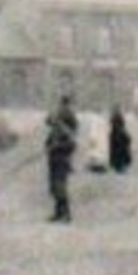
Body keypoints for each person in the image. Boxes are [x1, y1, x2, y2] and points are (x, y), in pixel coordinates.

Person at [45, 95, 79, 223]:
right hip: (53, 158)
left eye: (63, 106)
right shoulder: (56, 127)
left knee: (60, 186)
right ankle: (58, 213)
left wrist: (57, 145)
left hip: (61, 159)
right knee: (53, 187)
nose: (61, 108)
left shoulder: (68, 132)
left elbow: (72, 145)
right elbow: (47, 120)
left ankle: (66, 214)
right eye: (61, 106)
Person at [108, 106, 133, 174]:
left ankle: (119, 163)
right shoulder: (117, 119)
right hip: (117, 136)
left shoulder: (115, 119)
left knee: (118, 151)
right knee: (118, 151)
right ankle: (119, 163)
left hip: (116, 136)